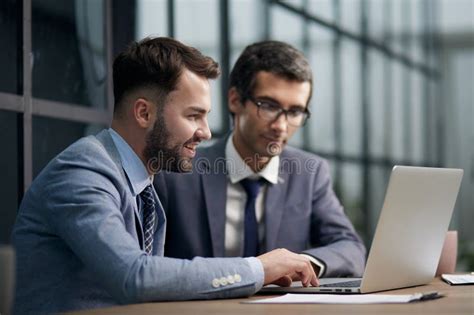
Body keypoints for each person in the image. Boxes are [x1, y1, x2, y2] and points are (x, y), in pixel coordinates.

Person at [11, 37, 318, 315]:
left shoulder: (144, 182)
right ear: (144, 113)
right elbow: (135, 276)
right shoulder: (82, 172)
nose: (206, 132)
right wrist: (259, 267)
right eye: (193, 115)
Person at [155, 40, 366, 278]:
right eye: (268, 105)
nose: (281, 126)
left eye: (295, 112)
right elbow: (149, 266)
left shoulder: (310, 173)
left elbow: (352, 249)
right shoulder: (176, 172)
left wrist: (304, 263)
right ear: (235, 100)